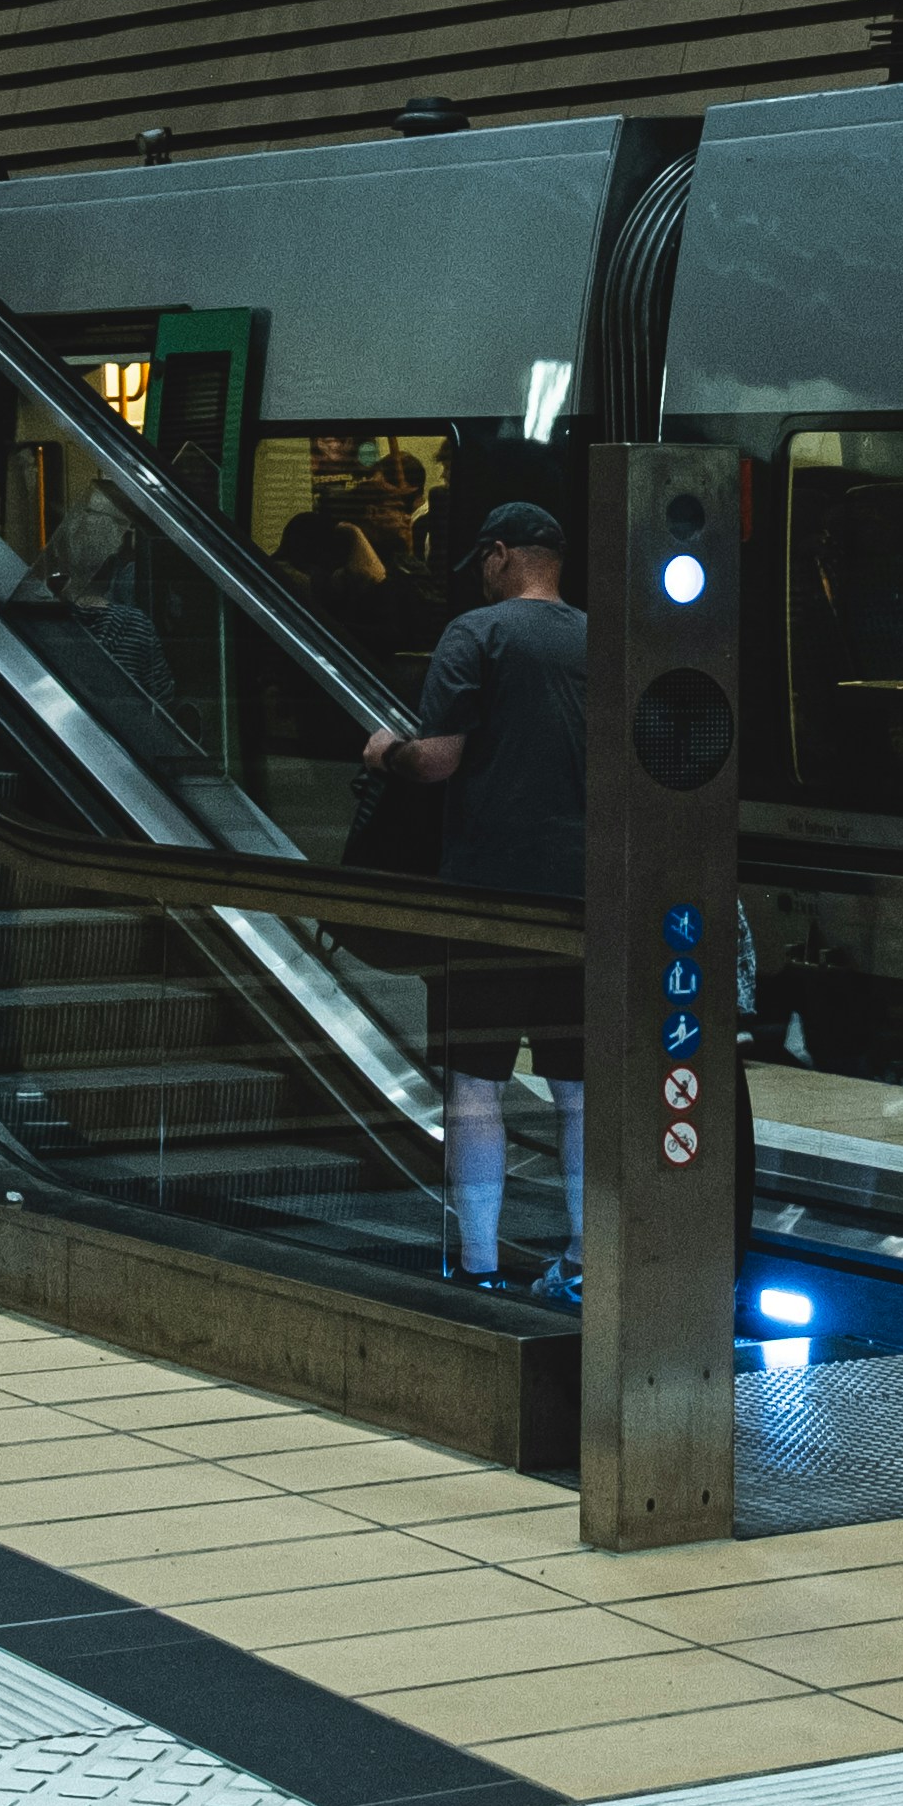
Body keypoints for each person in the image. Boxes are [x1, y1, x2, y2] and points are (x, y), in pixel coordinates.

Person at [363, 502, 589, 1294]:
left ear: (498, 556)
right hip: (583, 898)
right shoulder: (605, 640)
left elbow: (439, 762)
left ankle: (481, 1264)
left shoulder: (477, 633)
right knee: (579, 1089)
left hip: (488, 894)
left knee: (475, 1085)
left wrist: (387, 750)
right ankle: (585, 1264)